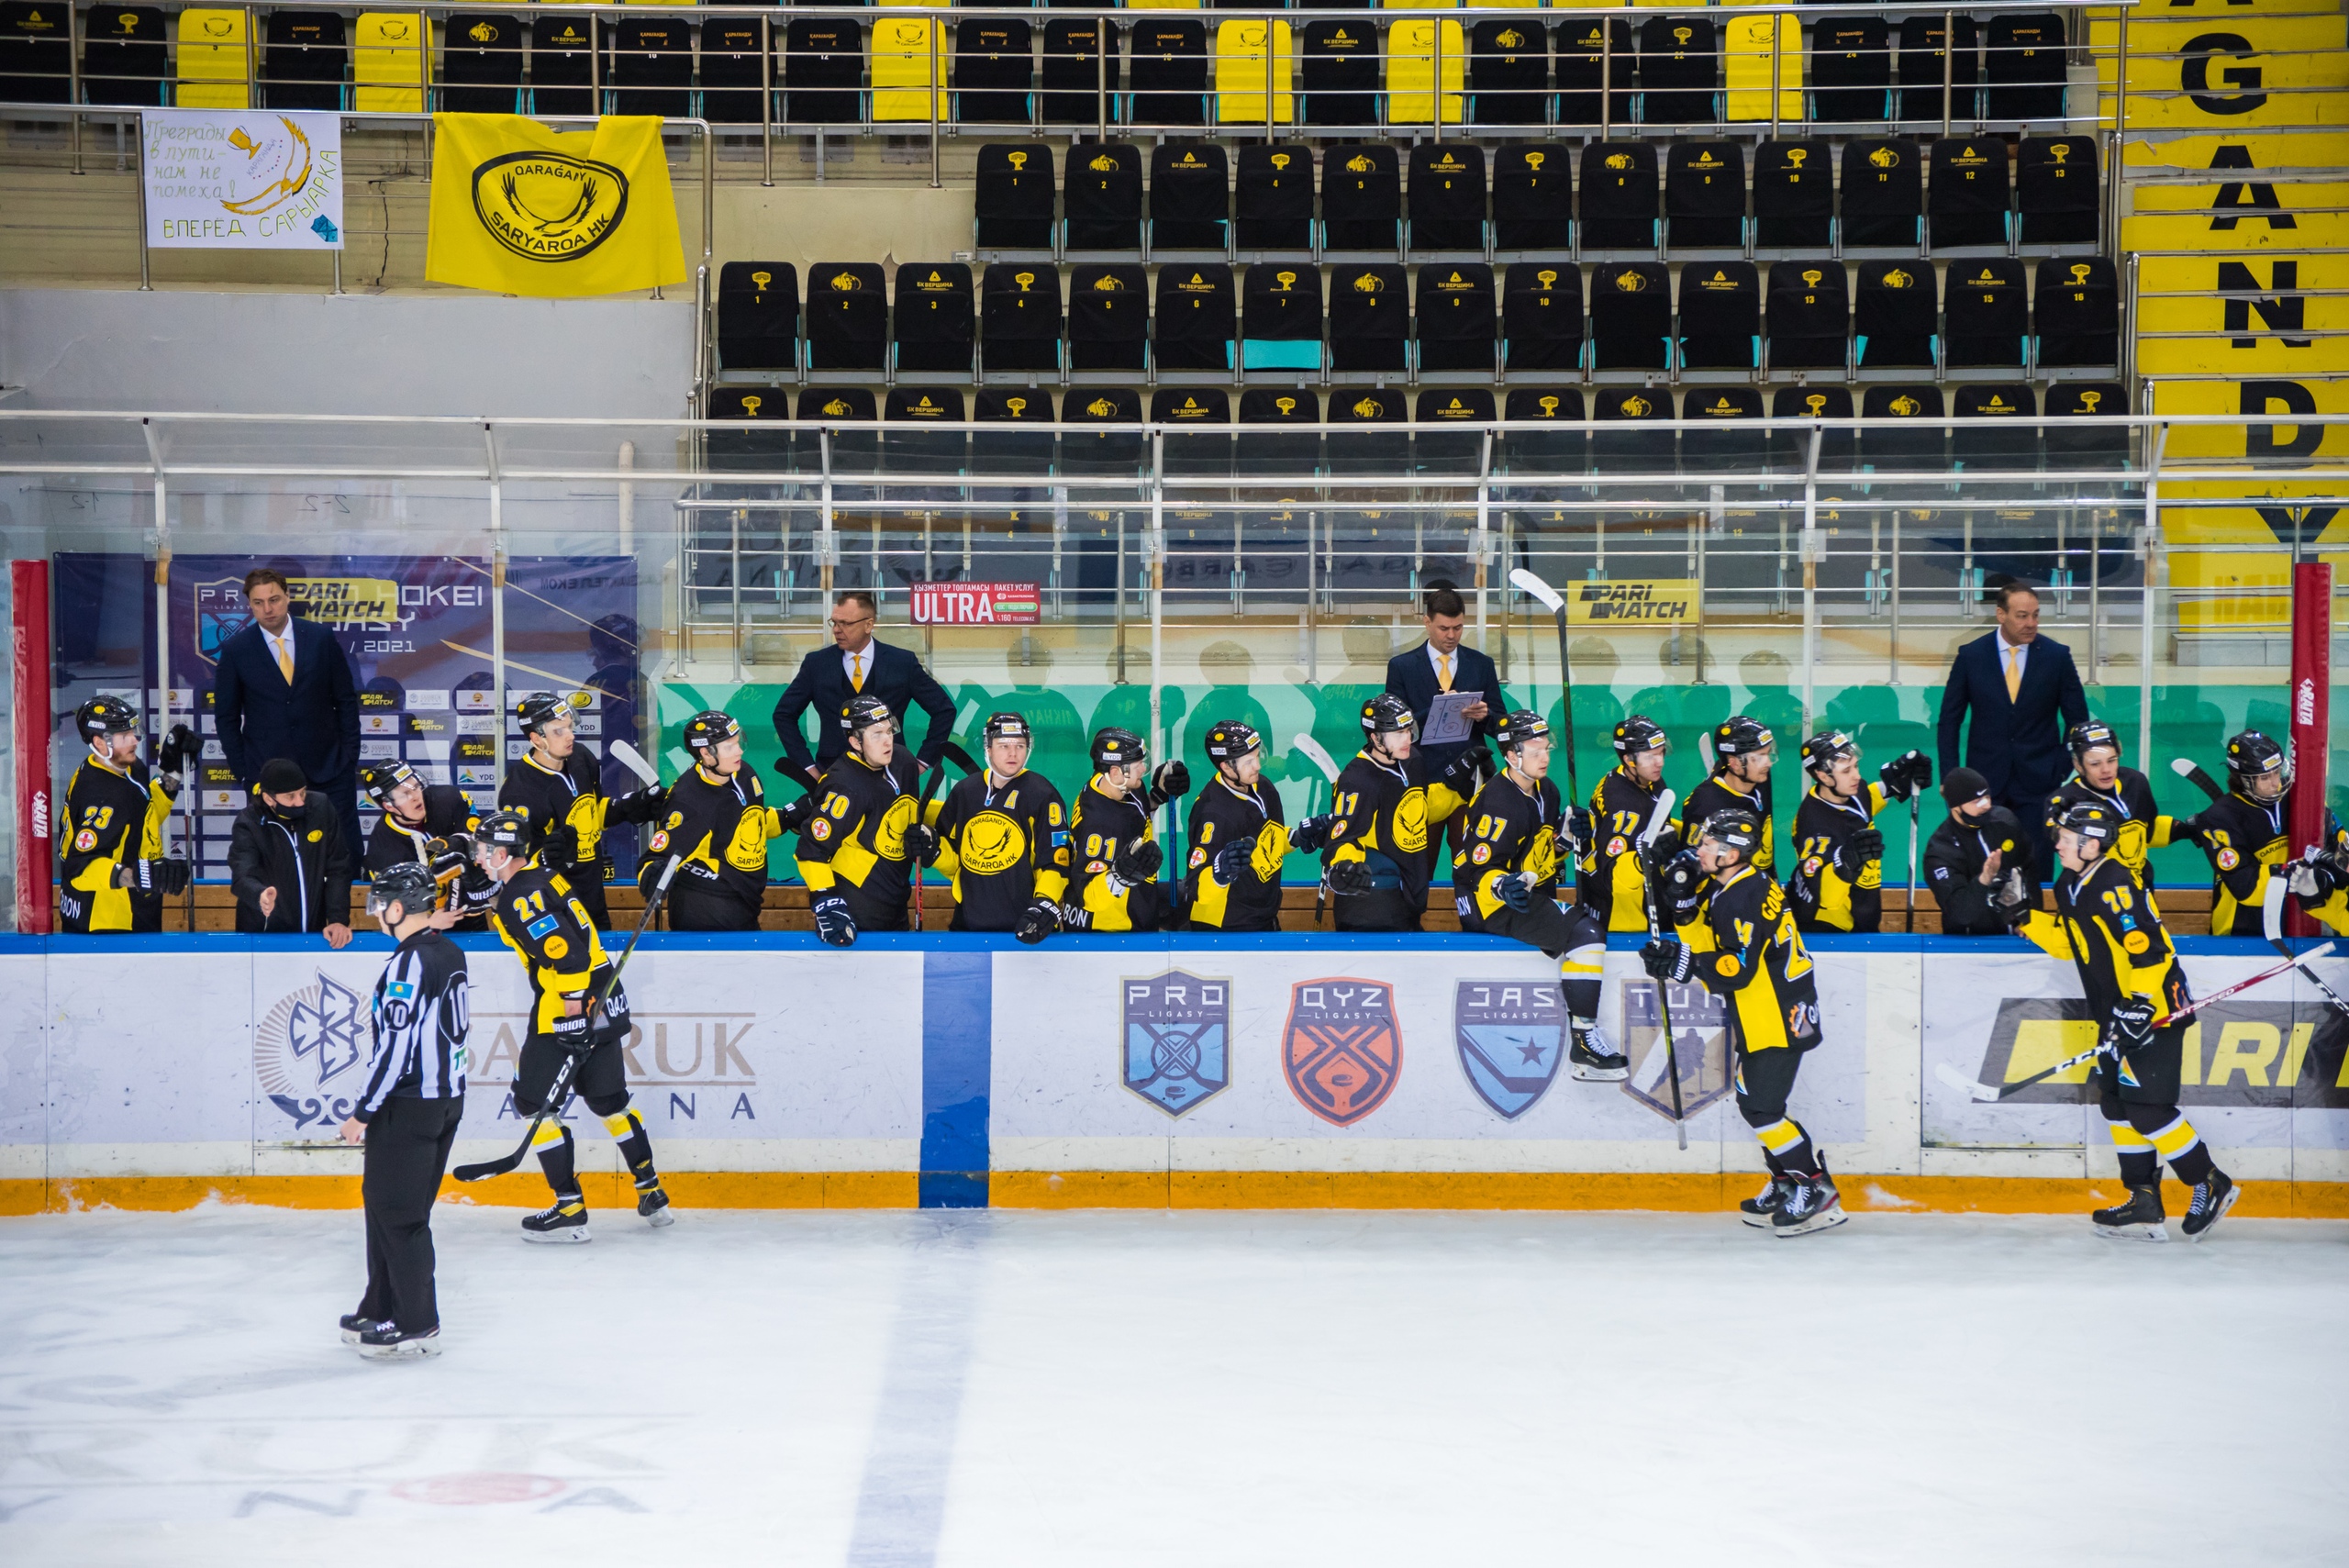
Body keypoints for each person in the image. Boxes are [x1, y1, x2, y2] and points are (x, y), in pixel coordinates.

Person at [1998, 800, 2240, 1240]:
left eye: (2065, 839)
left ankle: (2209, 1180)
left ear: (2091, 844)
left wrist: (2140, 1004)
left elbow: (2151, 952)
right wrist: (2023, 915)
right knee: (2114, 1101)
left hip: (2154, 1011)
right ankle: (2143, 1198)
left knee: (2147, 1107)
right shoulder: (2071, 883)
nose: (2057, 845)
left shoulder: (2115, 885)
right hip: (2117, 1013)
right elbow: (2069, 942)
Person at [1640, 806, 1844, 1237]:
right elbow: (1712, 942)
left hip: (1775, 1018)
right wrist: (1683, 906)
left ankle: (1815, 1187)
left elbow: (1736, 969)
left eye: (1708, 843)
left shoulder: (1740, 897)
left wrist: (1681, 963)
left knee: (1761, 1109)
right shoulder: (1737, 885)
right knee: (1759, 1105)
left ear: (1731, 854)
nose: (1699, 848)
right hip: (1770, 1014)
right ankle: (1787, 1181)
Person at [473, 808, 673, 1241]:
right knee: (608, 1101)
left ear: (504, 854)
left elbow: (567, 955)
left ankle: (569, 1206)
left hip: (570, 1006)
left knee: (532, 1103)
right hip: (604, 995)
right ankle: (651, 1190)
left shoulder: (520, 897)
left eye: (484, 851)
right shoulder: (542, 877)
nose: (479, 858)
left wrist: (570, 1013)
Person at [335, 862, 468, 1359]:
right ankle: (380, 1305)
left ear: (397, 907)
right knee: (387, 1206)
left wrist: (363, 1112)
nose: (374, 914)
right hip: (443, 1102)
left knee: (398, 1214)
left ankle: (417, 1323)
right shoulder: (447, 950)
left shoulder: (409, 963)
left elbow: (395, 1048)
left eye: (379, 904)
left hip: (408, 1106)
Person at [1451, 711, 1630, 1080]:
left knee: (1585, 926)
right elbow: (1480, 870)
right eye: (1535, 751)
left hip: (1523, 892)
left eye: (1546, 748)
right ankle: (1584, 1041)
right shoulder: (1497, 802)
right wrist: (1502, 886)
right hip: (1487, 904)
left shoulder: (1547, 790)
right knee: (1587, 934)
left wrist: (1566, 839)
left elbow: (1542, 859)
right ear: (1510, 756)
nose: (1545, 756)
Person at [1935, 582, 2088, 883]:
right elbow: (1949, 721)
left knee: (2037, 864)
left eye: (2035, 615)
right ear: (2001, 615)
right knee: (1984, 863)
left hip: (2040, 781)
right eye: (2022, 616)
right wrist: (1950, 778)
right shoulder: (1971, 655)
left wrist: (2059, 767)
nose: (2031, 623)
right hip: (1984, 783)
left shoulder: (2057, 656)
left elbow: (2077, 721)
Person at [211, 567, 365, 858]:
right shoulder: (236, 650)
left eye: (274, 600)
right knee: (277, 862)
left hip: (330, 770)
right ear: (250, 605)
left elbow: (345, 699)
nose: (268, 609)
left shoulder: (320, 637)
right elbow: (226, 718)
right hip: (269, 777)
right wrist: (246, 773)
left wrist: (348, 757)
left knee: (344, 857)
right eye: (259, 603)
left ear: (287, 597)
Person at [498, 691, 666, 930]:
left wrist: (630, 806)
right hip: (553, 908)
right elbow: (514, 866)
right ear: (536, 739)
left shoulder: (581, 758)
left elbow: (593, 813)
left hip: (593, 897)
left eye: (570, 727)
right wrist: (545, 858)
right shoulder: (520, 791)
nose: (570, 735)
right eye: (559, 731)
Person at [1320, 695, 1486, 932]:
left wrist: (1457, 790)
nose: (1407, 738)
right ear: (1375, 738)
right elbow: (1343, 839)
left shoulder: (1411, 760)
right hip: (1371, 903)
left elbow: (1418, 809)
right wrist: (1345, 866)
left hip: (1409, 895)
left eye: (1409, 730)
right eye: (1398, 733)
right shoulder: (1357, 780)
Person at [2166, 729, 2349, 936]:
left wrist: (2330, 872)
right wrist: (2291, 872)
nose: (2275, 782)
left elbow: (2341, 851)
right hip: (2242, 931)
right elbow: (2247, 887)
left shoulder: (2303, 798)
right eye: (2264, 777)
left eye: (2276, 772)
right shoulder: (2219, 818)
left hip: (2308, 921)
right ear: (2242, 779)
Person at [770, 590, 957, 786]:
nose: (837, 630)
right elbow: (784, 714)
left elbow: (944, 710)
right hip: (832, 775)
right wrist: (807, 768)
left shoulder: (902, 662)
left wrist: (921, 763)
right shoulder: (817, 663)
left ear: (868, 625)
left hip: (892, 774)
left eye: (846, 623)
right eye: (834, 623)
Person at [796, 695, 930, 947]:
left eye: (889, 730)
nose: (888, 740)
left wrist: (930, 829)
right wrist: (826, 900)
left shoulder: (903, 761)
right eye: (876, 734)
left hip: (897, 898)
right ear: (855, 742)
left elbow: (905, 808)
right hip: (857, 905)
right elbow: (811, 850)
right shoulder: (844, 786)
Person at [651, 709, 797, 932]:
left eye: (738, 742)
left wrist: (788, 817)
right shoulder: (688, 799)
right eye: (729, 746)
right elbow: (658, 853)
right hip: (704, 908)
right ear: (706, 753)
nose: (739, 751)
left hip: (743, 901)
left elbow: (747, 822)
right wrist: (652, 871)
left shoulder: (742, 771)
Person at [931, 712, 1071, 940]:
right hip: (968, 928)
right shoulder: (965, 792)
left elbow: (1055, 861)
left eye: (1020, 745)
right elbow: (956, 860)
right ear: (988, 748)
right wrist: (933, 851)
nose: (1013, 753)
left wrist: (1044, 903)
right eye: (1004, 745)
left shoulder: (1042, 793)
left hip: (1025, 929)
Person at [58, 695, 192, 933]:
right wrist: (139, 876)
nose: (134, 740)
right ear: (100, 743)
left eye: (133, 732)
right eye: (123, 736)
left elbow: (144, 814)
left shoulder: (124, 767)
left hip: (136, 907)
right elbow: (81, 869)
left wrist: (173, 771)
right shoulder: (100, 796)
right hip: (106, 920)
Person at [1786, 730, 1932, 934]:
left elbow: (1866, 800)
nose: (1857, 775)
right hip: (1831, 927)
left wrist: (1897, 783)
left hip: (1862, 916)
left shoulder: (1849, 791)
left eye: (1855, 766)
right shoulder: (1814, 824)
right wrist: (1844, 863)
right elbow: (1824, 896)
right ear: (1823, 776)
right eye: (1846, 771)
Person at [1064, 728, 1191, 934]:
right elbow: (1088, 895)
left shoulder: (1117, 785)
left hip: (1138, 898)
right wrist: (1119, 876)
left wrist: (1157, 797)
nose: (1143, 768)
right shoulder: (1099, 824)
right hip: (1110, 927)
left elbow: (1132, 817)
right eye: (1137, 764)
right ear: (1116, 772)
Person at [1183, 720, 1301, 934]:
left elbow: (1264, 841)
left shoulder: (1263, 787)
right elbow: (1195, 885)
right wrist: (1219, 871)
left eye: (1257, 756)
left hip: (1262, 918)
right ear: (1226, 766)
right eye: (1248, 762)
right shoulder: (1213, 812)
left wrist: (1296, 837)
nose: (1257, 766)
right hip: (1223, 927)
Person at [228, 757, 354, 947]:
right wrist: (259, 895)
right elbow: (242, 876)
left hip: (314, 935)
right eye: (290, 797)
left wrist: (338, 919)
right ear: (268, 798)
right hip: (263, 937)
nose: (300, 801)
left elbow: (338, 867)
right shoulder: (249, 823)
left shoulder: (321, 808)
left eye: (302, 793)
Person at [1384, 583, 1505, 779]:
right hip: (1421, 773)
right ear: (1427, 623)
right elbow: (1393, 728)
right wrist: (1437, 709)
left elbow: (1502, 726)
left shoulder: (1482, 664)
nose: (1451, 635)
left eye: (1458, 628)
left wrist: (1485, 716)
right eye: (1443, 628)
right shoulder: (1402, 667)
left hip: (1470, 775)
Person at [2041, 719, 2173, 884]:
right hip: (2091, 892)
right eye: (2095, 764)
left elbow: (2148, 832)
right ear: (2078, 765)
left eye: (2111, 760)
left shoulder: (2136, 782)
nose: (2106, 770)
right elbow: (2059, 843)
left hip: (2140, 889)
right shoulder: (2064, 801)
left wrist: (2187, 828)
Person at [362, 761, 487, 931]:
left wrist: (460, 844)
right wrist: (428, 924)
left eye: (415, 787)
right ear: (388, 805)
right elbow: (393, 912)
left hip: (470, 909)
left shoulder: (450, 800)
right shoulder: (383, 849)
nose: (415, 796)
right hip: (422, 928)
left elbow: (480, 845)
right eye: (405, 794)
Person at [1584, 716, 1675, 933]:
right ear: (1629, 759)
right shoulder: (1622, 805)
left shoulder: (1643, 778)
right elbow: (1612, 874)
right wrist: (1644, 859)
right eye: (1650, 756)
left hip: (1649, 898)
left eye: (1661, 752)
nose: (1660, 762)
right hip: (1625, 918)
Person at [1921, 768, 2031, 936]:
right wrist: (1984, 879)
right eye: (1977, 801)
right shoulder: (1940, 851)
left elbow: (2029, 867)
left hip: (2016, 938)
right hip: (1968, 944)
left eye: (1987, 797)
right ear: (1955, 807)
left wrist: (2029, 919)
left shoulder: (2005, 821)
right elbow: (1960, 913)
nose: (1986, 805)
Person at [1683, 716, 1777, 874]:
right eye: (1759, 757)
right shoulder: (1705, 805)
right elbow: (1696, 865)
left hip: (1762, 879)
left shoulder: (1758, 775)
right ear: (1734, 763)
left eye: (1767, 754)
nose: (1768, 763)